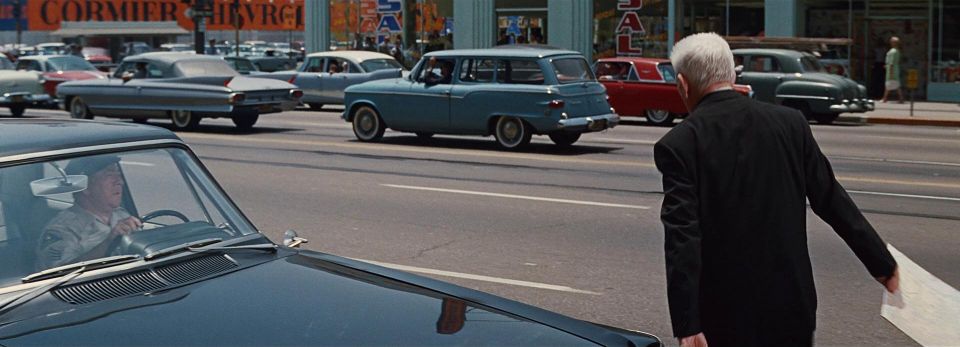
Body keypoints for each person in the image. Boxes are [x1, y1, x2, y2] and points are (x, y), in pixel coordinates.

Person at [654, 33, 899, 347]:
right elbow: (830, 198)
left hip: (724, 316)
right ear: (732, 75)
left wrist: (688, 324)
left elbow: (682, 238)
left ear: (683, 85)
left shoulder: (679, 144)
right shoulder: (790, 124)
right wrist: (881, 263)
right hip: (791, 306)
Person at [36, 156, 142, 270]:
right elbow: (59, 274)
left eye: (118, 175)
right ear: (85, 187)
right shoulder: (61, 230)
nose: (120, 182)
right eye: (110, 175)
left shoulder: (121, 214)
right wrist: (108, 243)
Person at [881, 36, 904, 103]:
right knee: (896, 84)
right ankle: (900, 98)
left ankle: (885, 98)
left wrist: (890, 71)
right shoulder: (897, 51)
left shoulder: (893, 51)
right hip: (894, 69)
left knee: (889, 83)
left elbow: (891, 62)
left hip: (892, 69)